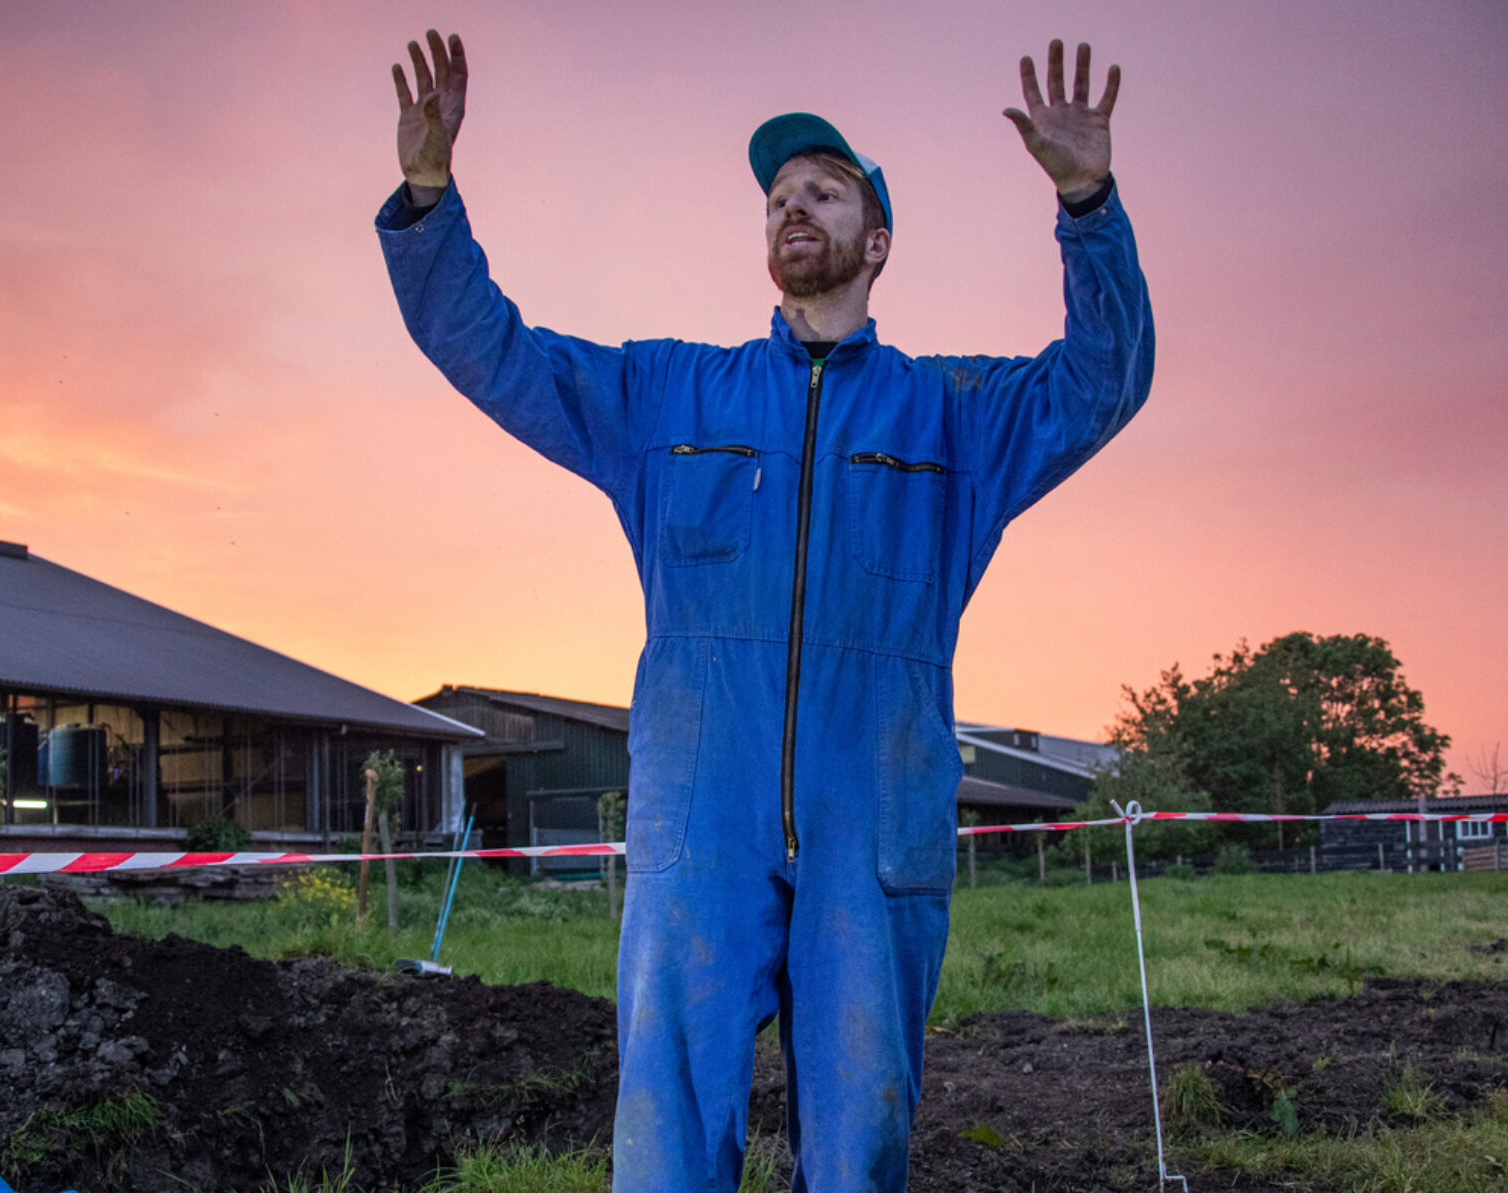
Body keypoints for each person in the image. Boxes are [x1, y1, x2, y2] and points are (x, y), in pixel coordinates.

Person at [377, 30, 1153, 1192]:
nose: (794, 203)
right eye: (780, 195)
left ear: (874, 242)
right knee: (668, 1130)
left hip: (874, 814)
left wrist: (1086, 203)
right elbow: (493, 351)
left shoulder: (954, 416)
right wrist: (430, 200)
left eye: (824, 190)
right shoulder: (667, 394)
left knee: (859, 1131)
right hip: (702, 814)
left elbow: (1104, 377)